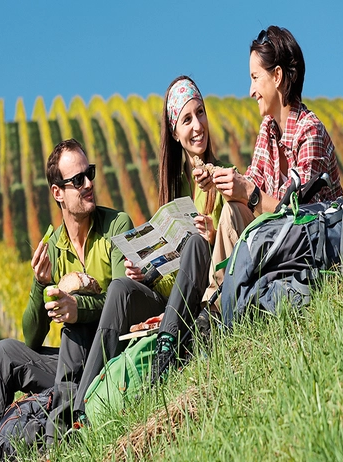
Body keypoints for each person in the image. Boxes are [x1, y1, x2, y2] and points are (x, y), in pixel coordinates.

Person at [152, 25, 343, 382]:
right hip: (277, 239)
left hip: (311, 241)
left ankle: (213, 311)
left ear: (278, 77)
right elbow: (251, 188)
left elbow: (297, 215)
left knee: (238, 206)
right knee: (233, 207)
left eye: (256, 77)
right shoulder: (267, 130)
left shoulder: (310, 132)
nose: (251, 89)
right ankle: (214, 308)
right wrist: (232, 188)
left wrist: (247, 193)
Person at [0, 138, 133, 461]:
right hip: (69, 364)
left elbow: (122, 300)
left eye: (90, 173)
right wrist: (40, 284)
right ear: (58, 193)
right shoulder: (53, 245)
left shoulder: (116, 225)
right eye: (78, 180)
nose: (89, 184)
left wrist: (77, 309)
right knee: (3, 353)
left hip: (110, 354)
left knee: (71, 329)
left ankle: (58, 441)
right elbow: (32, 337)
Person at [72, 76, 230, 420]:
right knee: (120, 288)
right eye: (187, 119)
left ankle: (165, 350)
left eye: (200, 113)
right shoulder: (174, 191)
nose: (197, 125)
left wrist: (213, 234)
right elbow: (168, 269)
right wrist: (146, 272)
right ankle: (79, 407)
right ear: (175, 133)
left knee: (195, 245)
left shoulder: (224, 178)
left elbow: (235, 248)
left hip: (204, 294)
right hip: (170, 294)